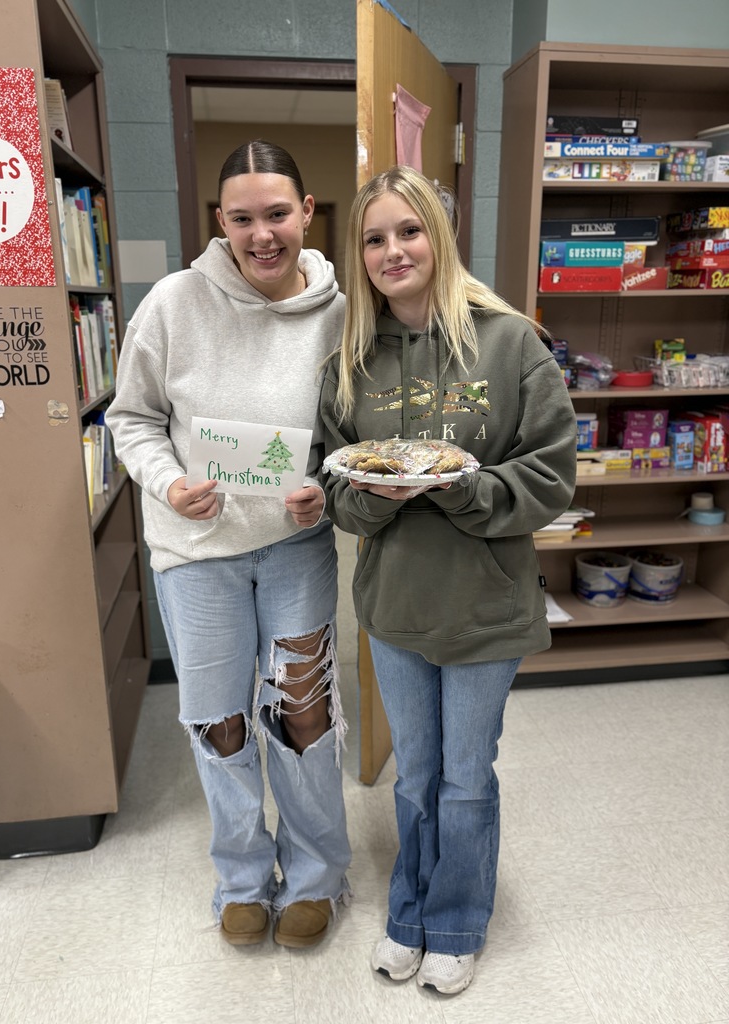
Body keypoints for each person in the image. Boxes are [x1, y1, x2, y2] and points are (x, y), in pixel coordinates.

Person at [320, 166, 576, 994]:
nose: (393, 250)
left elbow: (552, 476)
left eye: (409, 230)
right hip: (395, 606)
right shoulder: (351, 359)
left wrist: (467, 489)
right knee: (417, 774)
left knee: (466, 778)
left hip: (485, 606)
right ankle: (409, 912)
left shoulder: (509, 342)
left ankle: (458, 920)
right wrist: (371, 496)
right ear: (359, 256)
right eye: (374, 238)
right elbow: (334, 489)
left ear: (439, 234)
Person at [106, 140, 351, 950]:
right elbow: (131, 418)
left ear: (307, 213)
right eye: (243, 219)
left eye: (278, 214)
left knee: (303, 716)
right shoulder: (174, 304)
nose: (263, 235)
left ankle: (316, 876)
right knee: (219, 723)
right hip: (196, 551)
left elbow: (354, 433)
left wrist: (328, 481)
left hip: (294, 548)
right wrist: (169, 481)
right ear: (221, 223)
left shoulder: (343, 312)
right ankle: (242, 880)